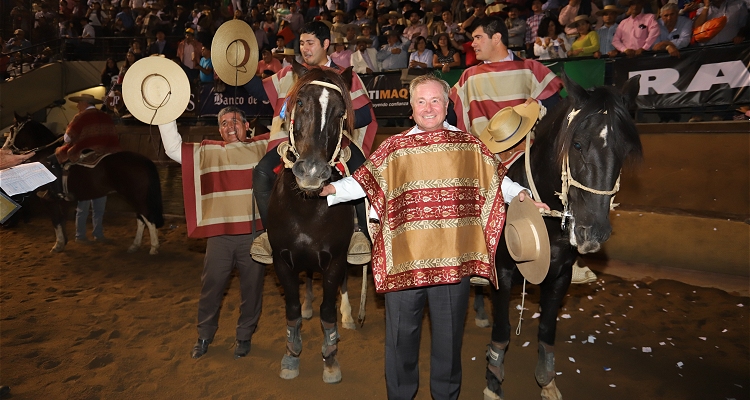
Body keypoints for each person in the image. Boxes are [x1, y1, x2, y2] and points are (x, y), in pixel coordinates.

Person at [319, 74, 548, 400]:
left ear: (447, 105)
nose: (429, 108)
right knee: (400, 342)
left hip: (452, 266)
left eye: (435, 100)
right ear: (411, 109)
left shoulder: (469, 146)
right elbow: (364, 182)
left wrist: (522, 195)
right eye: (421, 102)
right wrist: (329, 190)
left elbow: (497, 180)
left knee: (448, 343)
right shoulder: (394, 148)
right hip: (404, 265)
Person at [450, 16, 600, 284]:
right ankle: (476, 257)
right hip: (484, 154)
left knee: (566, 182)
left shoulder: (531, 68)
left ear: (497, 38)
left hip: (527, 149)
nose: (472, 44)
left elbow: (558, 110)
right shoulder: (468, 76)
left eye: (477, 37)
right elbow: (451, 116)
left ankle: (570, 254)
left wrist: (541, 109)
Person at [251, 21, 378, 263]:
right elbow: (260, 91)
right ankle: (270, 234)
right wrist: (240, 70)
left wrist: (337, 114)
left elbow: (364, 116)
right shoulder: (291, 73)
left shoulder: (343, 74)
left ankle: (361, 233)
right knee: (261, 173)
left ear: (326, 44)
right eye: (301, 43)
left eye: (310, 43)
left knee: (363, 174)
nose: (305, 48)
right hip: (295, 145)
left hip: (336, 144)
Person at [158, 107, 268, 359]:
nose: (230, 126)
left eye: (235, 121)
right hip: (220, 236)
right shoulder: (208, 152)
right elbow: (174, 149)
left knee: (252, 289)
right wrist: (166, 111)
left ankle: (244, 336)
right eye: (224, 123)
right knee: (212, 286)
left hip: (255, 235)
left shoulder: (263, 147)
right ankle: (204, 335)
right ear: (219, 130)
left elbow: (287, 135)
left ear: (247, 125)